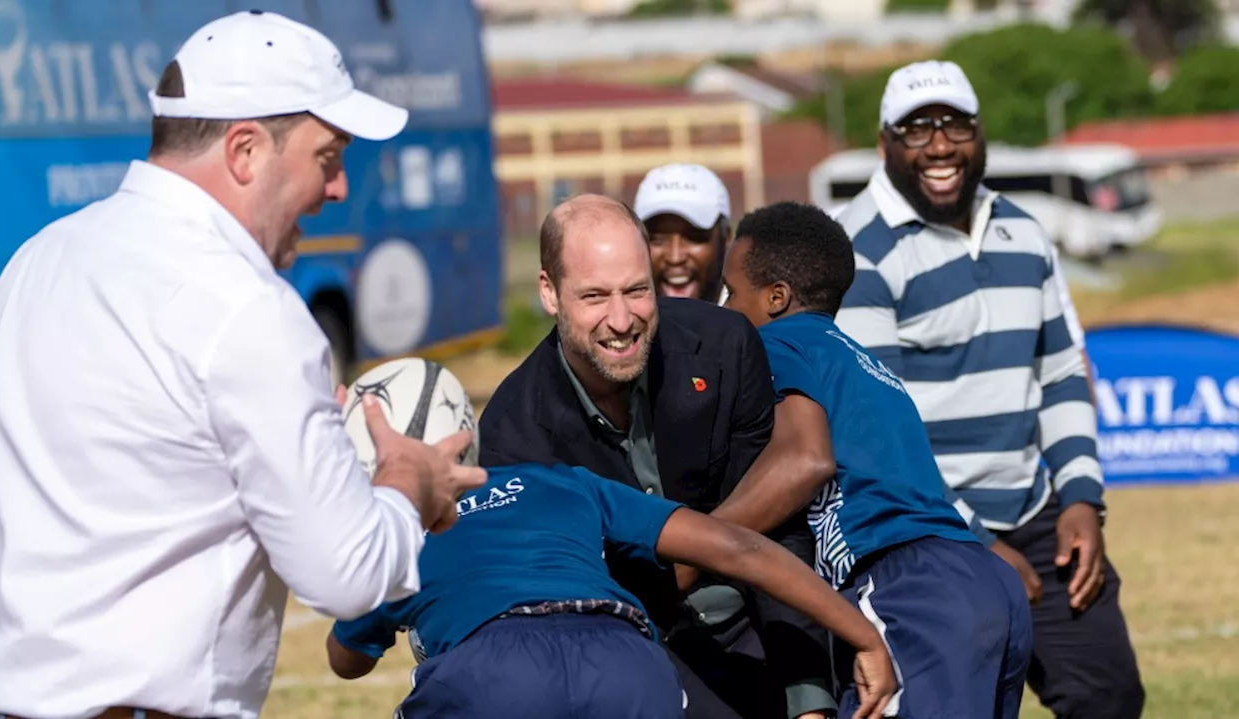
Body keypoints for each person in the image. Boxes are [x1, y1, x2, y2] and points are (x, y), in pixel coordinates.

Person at [0, 11, 485, 719]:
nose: (337, 190)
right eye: (328, 158)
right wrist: (407, 483)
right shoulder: (247, 308)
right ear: (244, 151)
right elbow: (348, 573)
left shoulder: (37, 259)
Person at [832, 59, 1144, 718]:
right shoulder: (856, 249)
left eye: (955, 125)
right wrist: (975, 539)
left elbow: (1059, 372)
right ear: (885, 141)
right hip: (924, 532)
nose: (940, 145)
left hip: (1038, 516)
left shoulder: (1024, 232)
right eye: (917, 129)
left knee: (1109, 695)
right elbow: (878, 428)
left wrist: (1082, 498)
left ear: (980, 134)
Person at [478, 194, 835, 719]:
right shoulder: (514, 432)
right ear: (549, 293)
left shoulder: (725, 346)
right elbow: (566, 609)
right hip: (629, 651)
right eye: (595, 296)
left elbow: (780, 526)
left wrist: (809, 696)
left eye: (637, 290)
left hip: (757, 622)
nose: (621, 319)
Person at [720, 200, 1033, 718]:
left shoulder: (774, 344)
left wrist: (693, 544)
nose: (725, 307)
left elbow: (805, 463)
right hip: (981, 578)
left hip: (907, 588)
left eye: (731, 292)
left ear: (776, 297)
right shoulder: (862, 361)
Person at [325, 461, 897, 719]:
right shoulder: (559, 481)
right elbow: (734, 547)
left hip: (494, 668)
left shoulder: (399, 529)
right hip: (624, 657)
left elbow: (346, 661)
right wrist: (863, 637)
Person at [634, 163, 733, 302]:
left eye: (694, 238)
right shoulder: (616, 320)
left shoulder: (755, 319)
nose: (675, 257)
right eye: (656, 239)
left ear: (726, 239)